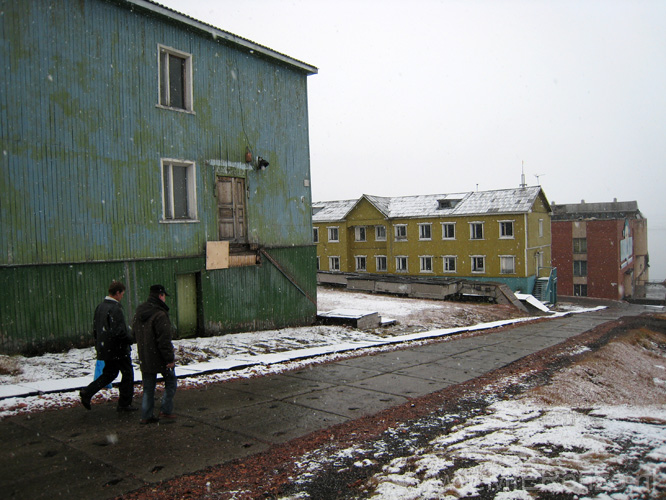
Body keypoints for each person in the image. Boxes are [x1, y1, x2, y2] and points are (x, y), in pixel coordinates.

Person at [80, 281, 137, 411]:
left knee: (110, 374)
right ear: (117, 293)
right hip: (119, 349)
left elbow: (96, 329)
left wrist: (100, 346)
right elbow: (119, 331)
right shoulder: (115, 309)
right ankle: (124, 403)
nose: (122, 296)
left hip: (107, 348)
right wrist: (130, 339)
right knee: (127, 373)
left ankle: (88, 392)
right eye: (122, 293)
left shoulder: (100, 307)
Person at [132, 284, 177, 424]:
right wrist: (169, 359)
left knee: (148, 387)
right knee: (171, 382)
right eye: (164, 296)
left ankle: (146, 415)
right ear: (160, 295)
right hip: (160, 356)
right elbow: (164, 340)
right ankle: (165, 410)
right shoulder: (160, 314)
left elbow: (134, 333)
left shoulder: (140, 312)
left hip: (145, 355)